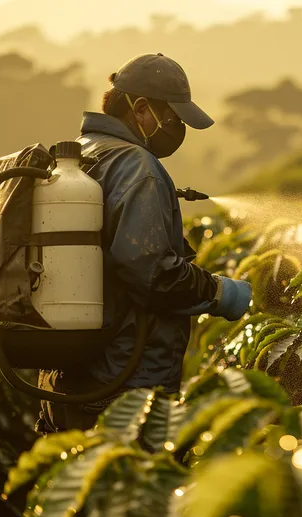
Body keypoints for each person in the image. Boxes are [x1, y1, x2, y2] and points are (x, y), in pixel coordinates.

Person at [35, 53, 252, 434]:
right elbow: (151, 272)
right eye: (173, 118)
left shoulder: (79, 154)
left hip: (65, 381)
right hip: (123, 388)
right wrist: (219, 292)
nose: (177, 129)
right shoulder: (136, 166)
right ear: (140, 109)